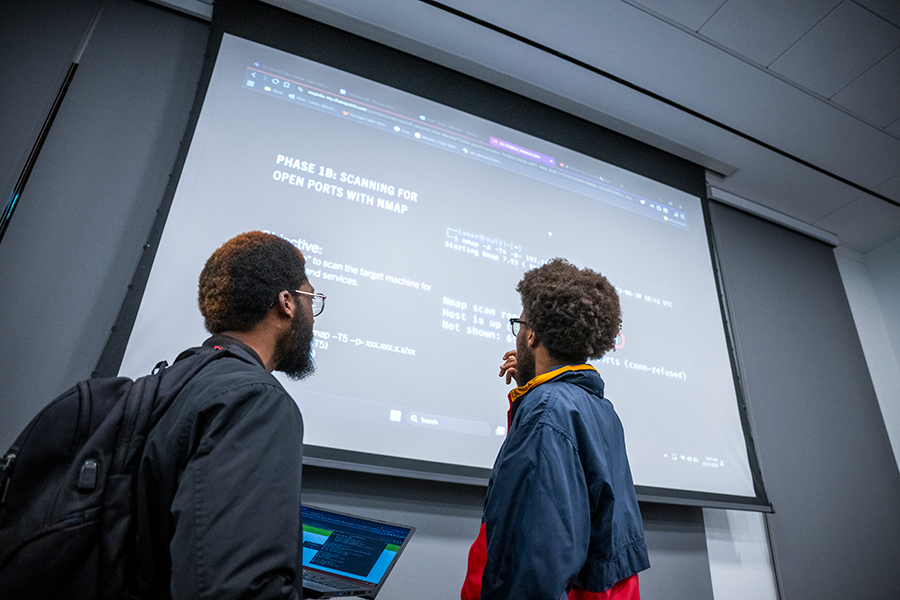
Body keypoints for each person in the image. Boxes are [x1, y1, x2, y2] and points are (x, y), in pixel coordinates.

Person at [134, 231, 324, 599]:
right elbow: (235, 587)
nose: (312, 317)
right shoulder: (257, 401)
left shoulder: (168, 382)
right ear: (286, 302)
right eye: (310, 299)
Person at [461, 258, 650, 600]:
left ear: (532, 334)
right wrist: (531, 388)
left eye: (520, 324)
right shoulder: (598, 409)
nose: (518, 334)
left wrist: (536, 399)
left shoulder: (547, 410)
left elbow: (536, 561)